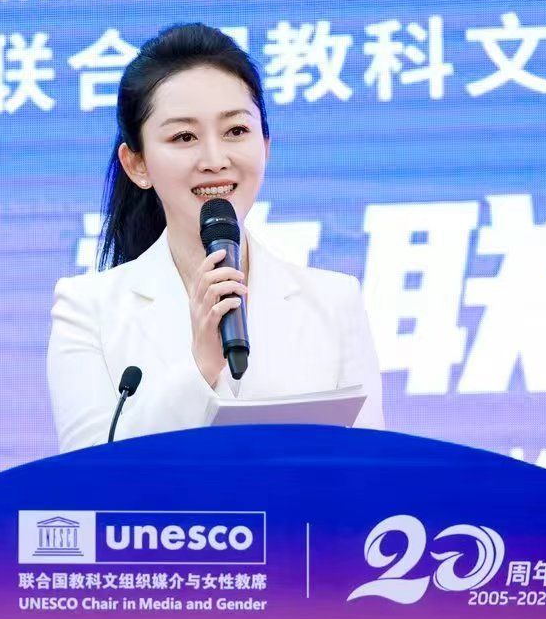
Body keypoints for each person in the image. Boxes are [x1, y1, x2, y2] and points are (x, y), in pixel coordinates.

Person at [47, 23, 385, 452]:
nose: (214, 159)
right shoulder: (88, 310)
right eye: (184, 137)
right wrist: (199, 367)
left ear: (266, 144)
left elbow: (372, 470)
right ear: (137, 165)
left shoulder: (334, 303)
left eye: (236, 131)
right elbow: (86, 472)